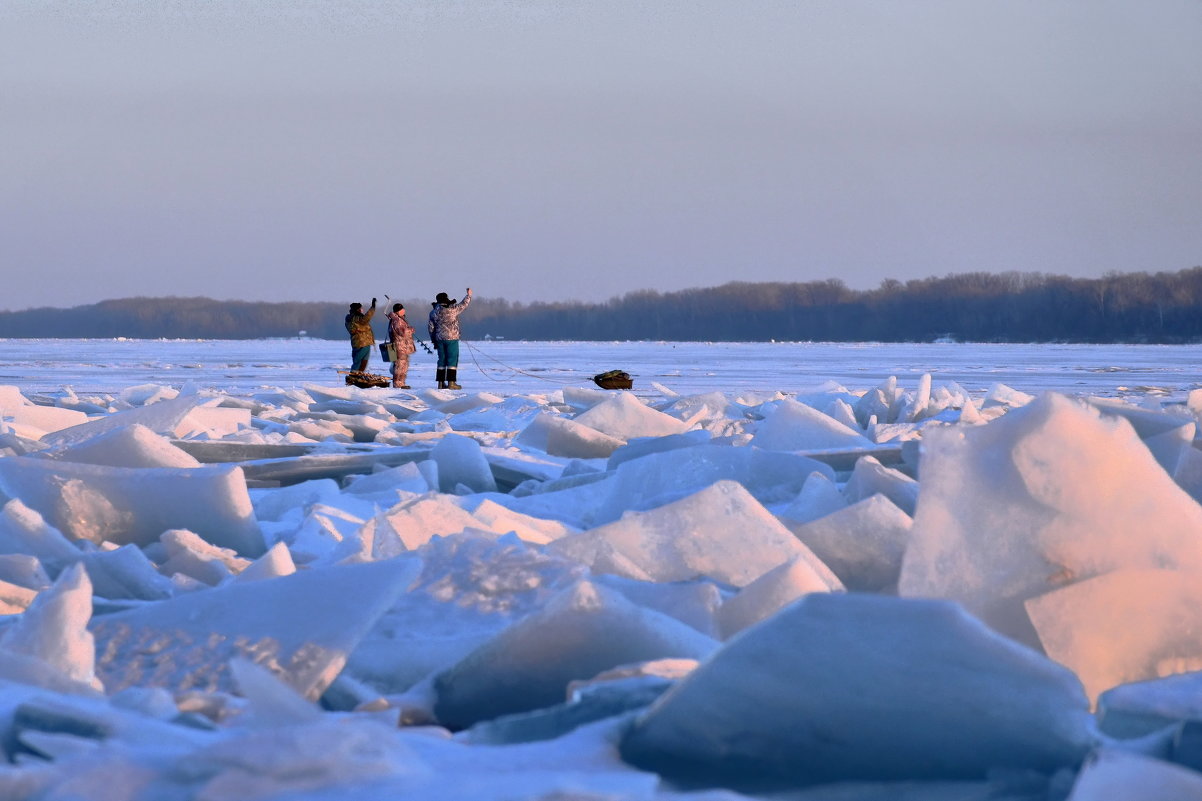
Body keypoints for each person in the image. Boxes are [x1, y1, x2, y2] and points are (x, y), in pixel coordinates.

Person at [431, 288, 472, 389]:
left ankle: (440, 383)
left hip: (439, 339)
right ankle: (451, 383)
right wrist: (468, 295)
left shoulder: (433, 312)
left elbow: (430, 327)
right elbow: (463, 305)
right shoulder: (452, 309)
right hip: (452, 338)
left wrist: (434, 340)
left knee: (441, 360)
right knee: (452, 360)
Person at [385, 302, 416, 389]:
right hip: (400, 347)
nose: (404, 310)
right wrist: (411, 330)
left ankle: (401, 383)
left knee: (402, 365)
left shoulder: (396, 319)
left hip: (401, 346)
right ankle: (398, 384)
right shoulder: (397, 320)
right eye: (402, 309)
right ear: (399, 311)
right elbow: (403, 332)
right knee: (400, 365)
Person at [344, 298, 377, 372]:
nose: (362, 310)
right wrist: (373, 307)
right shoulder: (356, 318)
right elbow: (367, 317)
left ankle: (359, 374)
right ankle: (353, 374)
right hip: (362, 343)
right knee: (358, 360)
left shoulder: (352, 318)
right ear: (357, 310)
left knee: (363, 360)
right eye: (361, 308)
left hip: (362, 343)